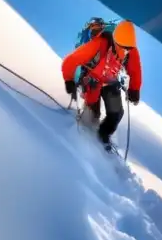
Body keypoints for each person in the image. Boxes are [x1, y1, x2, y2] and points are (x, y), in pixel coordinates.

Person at [61, 18, 142, 148]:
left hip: (110, 80)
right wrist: (69, 80)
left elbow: (135, 70)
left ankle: (102, 138)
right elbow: (70, 61)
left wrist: (135, 89)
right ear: (115, 41)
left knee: (116, 114)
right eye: (123, 47)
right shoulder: (99, 44)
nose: (126, 51)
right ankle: (82, 140)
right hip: (92, 81)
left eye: (129, 48)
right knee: (92, 114)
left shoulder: (131, 51)